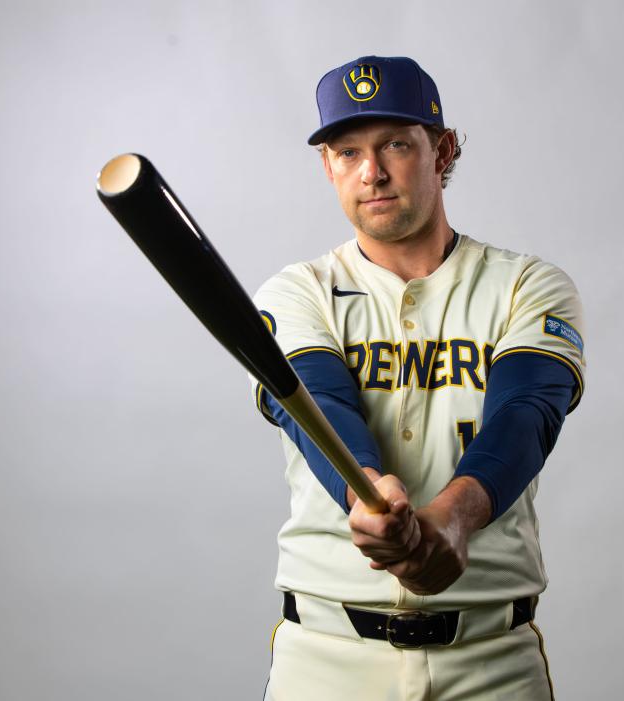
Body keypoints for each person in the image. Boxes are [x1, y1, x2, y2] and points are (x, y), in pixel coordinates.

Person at [251, 55, 586, 701]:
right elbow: (314, 401)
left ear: (444, 149)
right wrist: (370, 497)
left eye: (395, 145)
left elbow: (526, 413)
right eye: (347, 152)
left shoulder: (527, 285)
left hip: (491, 658)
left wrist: (453, 518)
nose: (371, 172)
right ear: (329, 166)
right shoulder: (299, 292)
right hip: (326, 658)